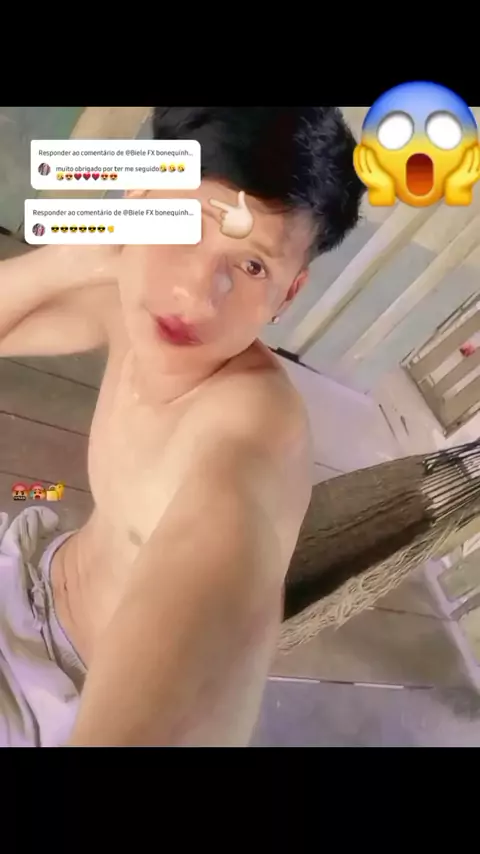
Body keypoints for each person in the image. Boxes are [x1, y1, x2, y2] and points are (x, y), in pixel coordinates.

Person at [0, 107, 364, 747]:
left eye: (253, 267)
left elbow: (225, 554)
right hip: (29, 560)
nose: (197, 295)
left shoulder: (255, 429)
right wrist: (71, 255)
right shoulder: (134, 306)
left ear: (289, 293)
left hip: (57, 695)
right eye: (184, 226)